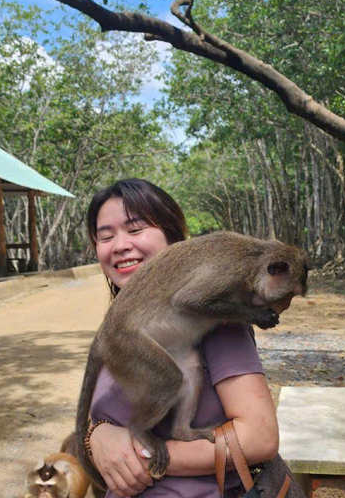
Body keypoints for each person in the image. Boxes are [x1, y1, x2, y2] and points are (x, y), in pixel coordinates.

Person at [84, 178, 280, 498]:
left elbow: (260, 438)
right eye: (105, 237)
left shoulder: (216, 318)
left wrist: (143, 458)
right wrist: (97, 437)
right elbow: (109, 418)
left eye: (135, 230)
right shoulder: (123, 321)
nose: (120, 245)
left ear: (173, 240)